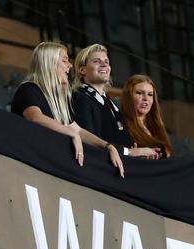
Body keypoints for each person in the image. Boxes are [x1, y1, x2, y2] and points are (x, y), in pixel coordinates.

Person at [11, 42, 124, 177]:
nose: (70, 65)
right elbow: (35, 117)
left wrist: (108, 146)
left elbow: (79, 131)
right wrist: (71, 133)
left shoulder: (59, 100)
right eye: (64, 60)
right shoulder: (29, 89)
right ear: (49, 62)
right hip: (25, 166)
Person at [71, 44, 161, 159]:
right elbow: (90, 142)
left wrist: (136, 151)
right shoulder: (80, 98)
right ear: (82, 70)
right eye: (96, 61)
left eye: (106, 62)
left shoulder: (108, 101)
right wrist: (130, 152)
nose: (104, 64)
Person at [119, 74, 173, 158]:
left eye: (150, 94)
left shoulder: (156, 126)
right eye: (139, 93)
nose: (146, 98)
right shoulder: (121, 126)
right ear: (128, 97)